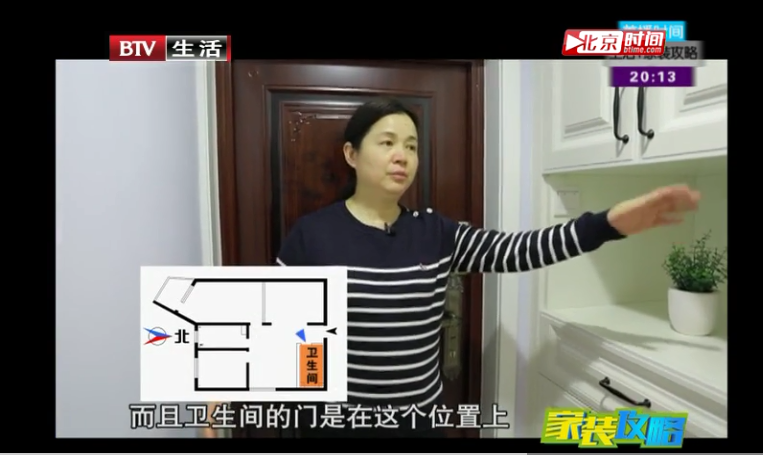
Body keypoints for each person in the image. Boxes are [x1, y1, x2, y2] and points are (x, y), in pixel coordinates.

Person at [276, 98, 700, 438]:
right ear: (351, 154)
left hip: (420, 423)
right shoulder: (311, 236)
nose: (402, 156)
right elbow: (281, 333)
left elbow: (517, 250)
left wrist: (605, 225)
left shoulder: (436, 232)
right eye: (387, 143)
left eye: (412, 146)